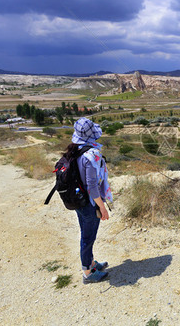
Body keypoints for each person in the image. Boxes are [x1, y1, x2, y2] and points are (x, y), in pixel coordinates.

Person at [64, 117, 113, 284]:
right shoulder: (91, 155)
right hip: (88, 203)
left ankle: (91, 263)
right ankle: (87, 272)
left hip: (79, 200)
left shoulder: (76, 149)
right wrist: (103, 207)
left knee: (86, 234)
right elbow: (92, 186)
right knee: (88, 237)